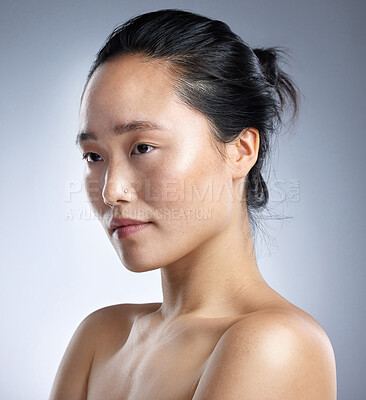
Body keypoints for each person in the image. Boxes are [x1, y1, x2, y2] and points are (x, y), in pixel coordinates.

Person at [49, 8, 337, 400]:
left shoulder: (276, 345)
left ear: (240, 150)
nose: (111, 191)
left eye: (143, 147)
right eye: (93, 156)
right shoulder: (100, 337)